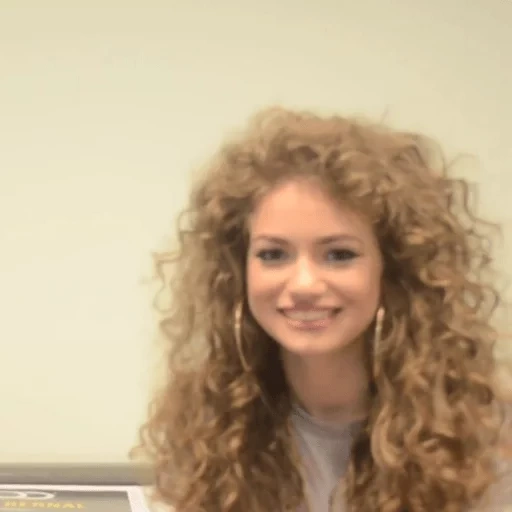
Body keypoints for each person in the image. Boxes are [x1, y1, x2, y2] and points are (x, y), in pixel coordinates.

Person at [133, 107, 512, 511]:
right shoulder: (206, 429)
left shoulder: (484, 436)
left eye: (339, 255)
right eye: (274, 254)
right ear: (237, 272)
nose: (304, 285)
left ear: (393, 271)